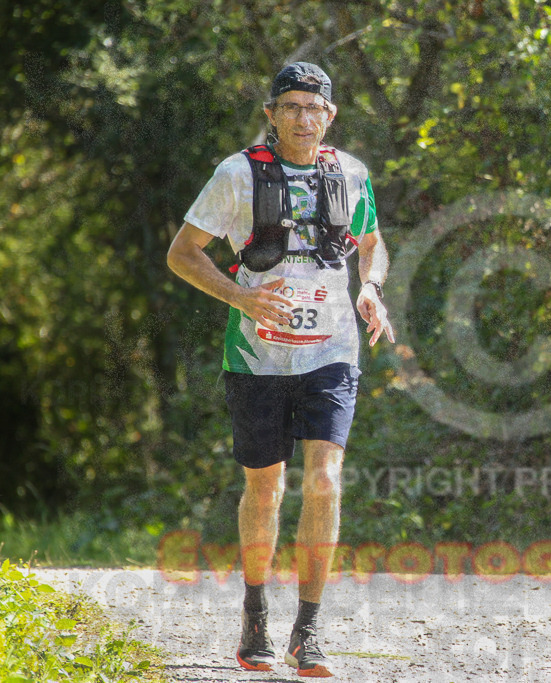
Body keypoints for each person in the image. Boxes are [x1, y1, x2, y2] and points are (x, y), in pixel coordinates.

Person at [167, 61, 394, 678]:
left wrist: (370, 288)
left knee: (325, 480)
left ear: (330, 115)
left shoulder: (352, 173)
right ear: (271, 114)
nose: (301, 117)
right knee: (266, 489)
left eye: (312, 107)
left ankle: (310, 629)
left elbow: (370, 244)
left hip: (333, 352)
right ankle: (255, 615)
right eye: (288, 106)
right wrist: (240, 296)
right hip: (256, 356)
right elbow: (182, 253)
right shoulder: (236, 174)